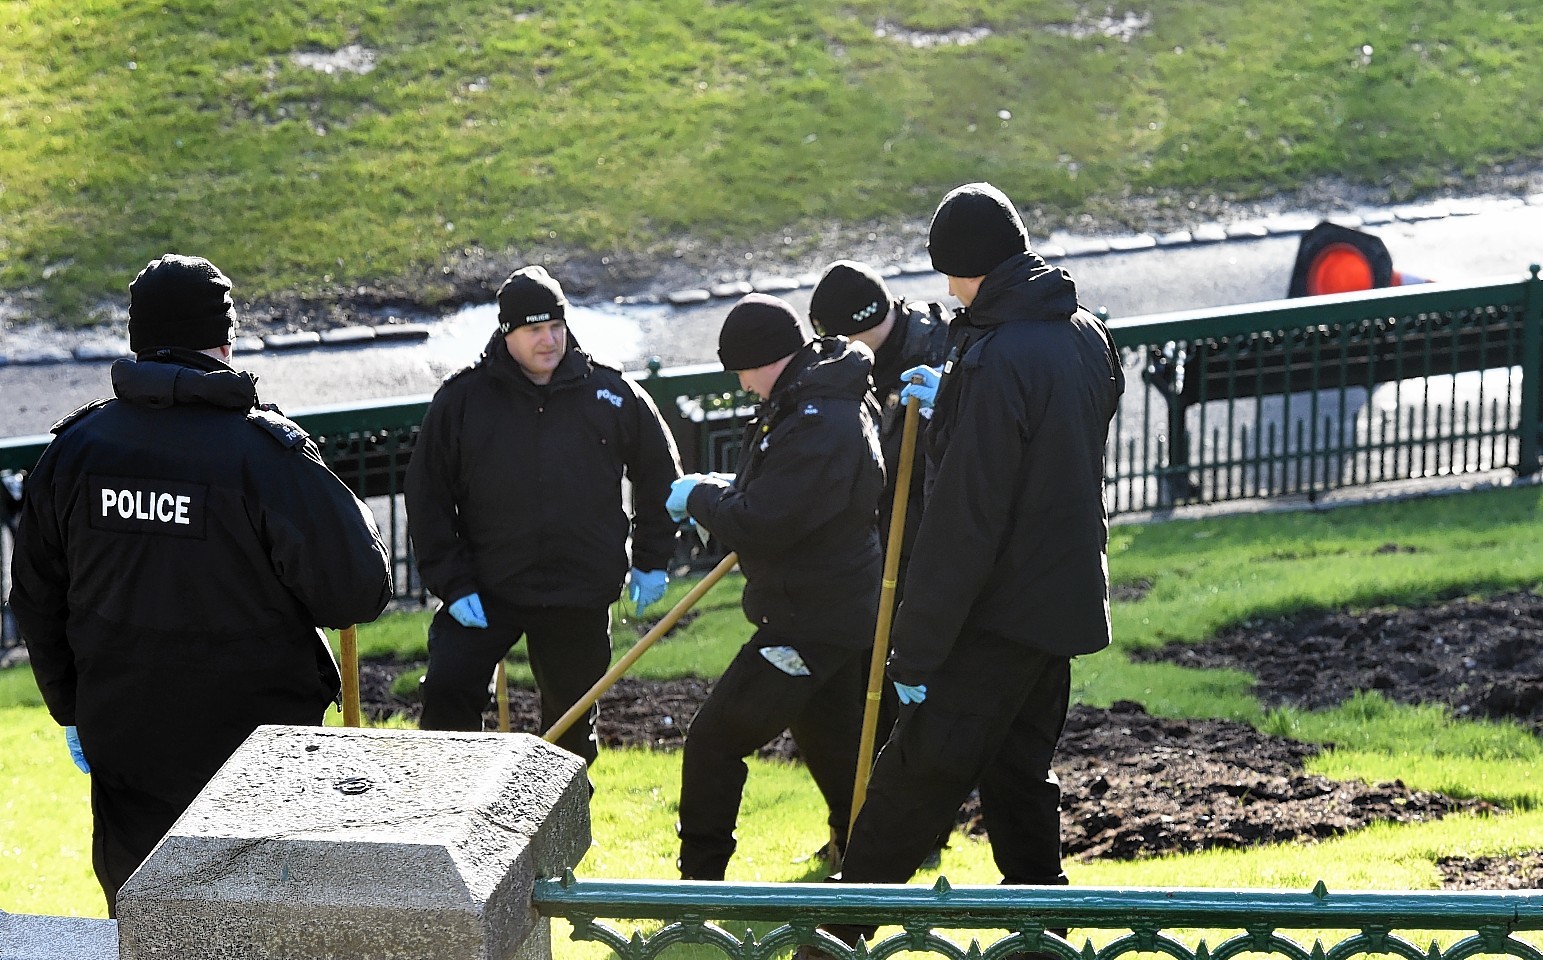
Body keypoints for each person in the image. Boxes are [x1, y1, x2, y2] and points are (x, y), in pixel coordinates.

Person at [9, 253, 394, 916]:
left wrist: (73, 708)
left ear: (138, 342)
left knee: (145, 926)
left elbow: (36, 600)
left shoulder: (74, 450)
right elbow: (355, 593)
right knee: (262, 931)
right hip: (260, 760)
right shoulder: (263, 453)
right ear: (224, 341)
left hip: (127, 749)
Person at [814, 182, 1125, 950]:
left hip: (992, 613)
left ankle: (829, 942)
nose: (945, 290)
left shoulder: (995, 354)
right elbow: (1055, 435)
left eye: (948, 272)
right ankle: (1042, 936)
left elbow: (966, 520)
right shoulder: (1081, 332)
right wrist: (958, 397)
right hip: (1059, 604)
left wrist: (915, 648)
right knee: (1020, 781)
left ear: (965, 266)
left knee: (907, 786)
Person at [404, 265, 682, 764]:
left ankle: (560, 833)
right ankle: (447, 813)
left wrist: (652, 557)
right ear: (507, 332)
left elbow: (660, 472)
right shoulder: (463, 400)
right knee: (447, 694)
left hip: (578, 589)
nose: (549, 340)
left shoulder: (612, 394)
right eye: (535, 330)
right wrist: (453, 582)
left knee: (569, 728)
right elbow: (427, 497)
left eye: (557, 326)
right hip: (487, 587)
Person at [668, 293, 885, 881]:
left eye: (740, 368)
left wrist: (702, 498)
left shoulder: (817, 418)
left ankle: (699, 887)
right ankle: (859, 861)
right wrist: (720, 489)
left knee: (714, 739)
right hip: (833, 611)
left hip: (808, 621)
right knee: (835, 749)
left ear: (765, 359)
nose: (740, 384)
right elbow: (773, 492)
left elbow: (769, 522)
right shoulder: (809, 400)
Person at [807, 258, 954, 868]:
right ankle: (862, 822)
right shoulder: (850, 368)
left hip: (928, 552)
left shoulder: (939, 350)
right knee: (861, 692)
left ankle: (914, 835)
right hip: (869, 554)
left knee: (912, 697)